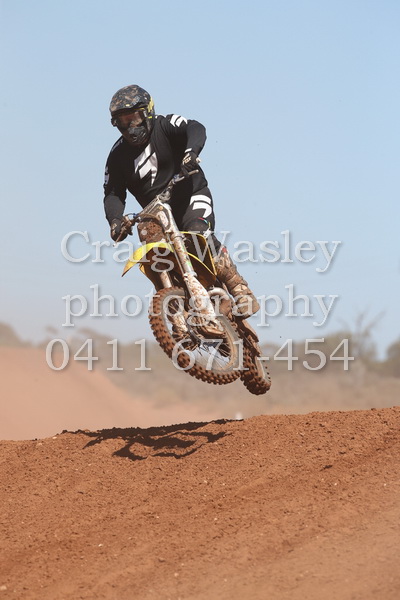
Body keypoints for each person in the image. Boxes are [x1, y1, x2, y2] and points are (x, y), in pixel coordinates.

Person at [103, 84, 259, 317]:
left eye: (134, 119)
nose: (130, 127)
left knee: (197, 234)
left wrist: (190, 153)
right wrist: (115, 220)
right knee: (152, 253)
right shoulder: (116, 156)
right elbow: (113, 193)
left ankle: (239, 289)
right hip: (154, 213)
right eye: (122, 122)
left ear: (148, 113)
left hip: (190, 195)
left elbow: (195, 127)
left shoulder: (165, 125)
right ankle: (177, 306)